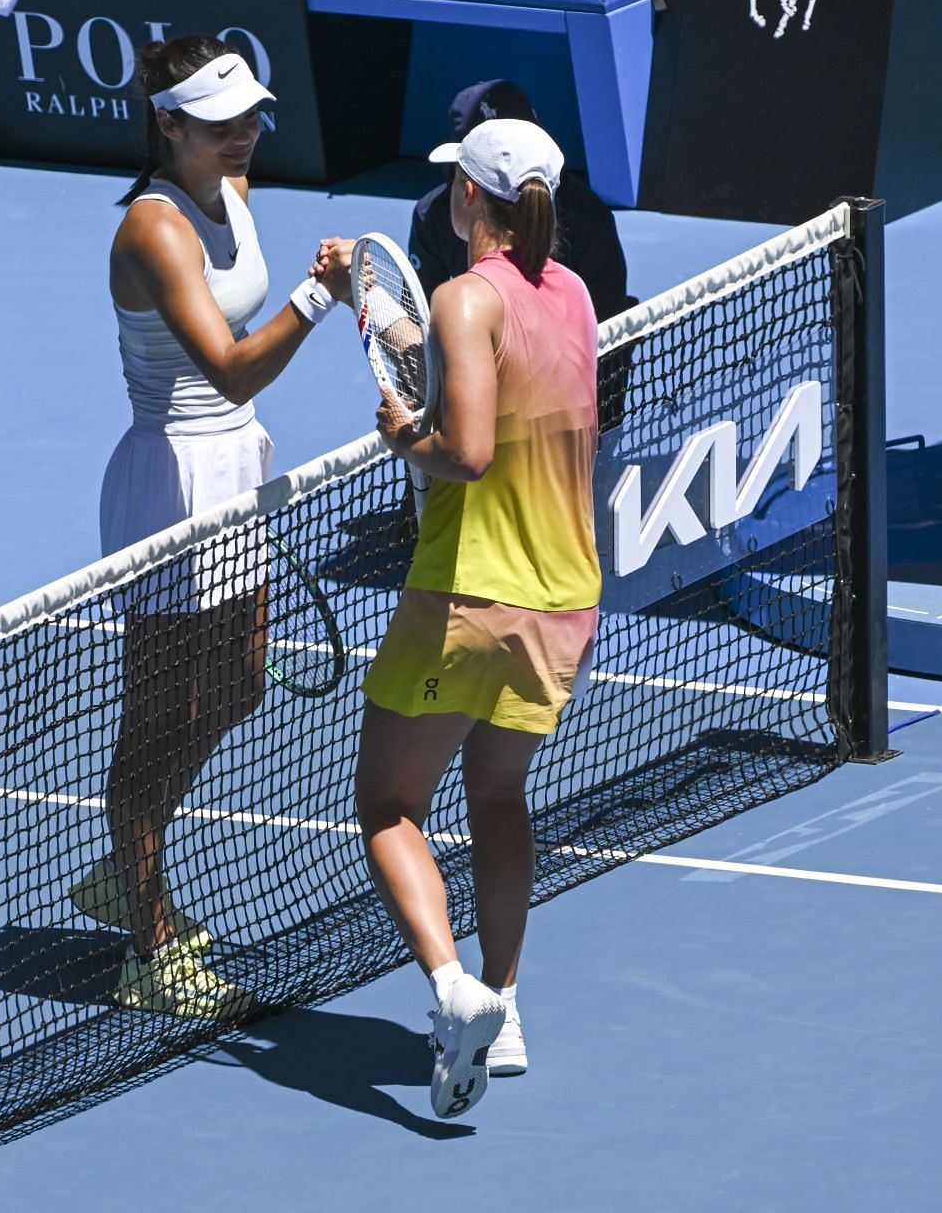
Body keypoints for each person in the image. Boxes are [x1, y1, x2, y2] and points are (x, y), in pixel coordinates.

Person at [74, 34, 346, 1022]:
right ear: (170, 124)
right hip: (173, 484)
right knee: (158, 715)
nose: (247, 137)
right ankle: (146, 947)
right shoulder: (153, 229)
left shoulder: (228, 192)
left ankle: (122, 861)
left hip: (237, 466)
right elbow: (227, 367)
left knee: (234, 685)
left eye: (252, 120)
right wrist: (321, 297)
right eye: (225, 125)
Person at [336, 118, 602, 1119]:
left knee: (389, 808)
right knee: (497, 798)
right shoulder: (571, 293)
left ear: (466, 201)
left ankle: (453, 991)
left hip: (465, 599)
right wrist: (369, 308)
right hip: (564, 604)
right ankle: (509, 1000)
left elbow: (469, 448)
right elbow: (484, 360)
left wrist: (411, 439)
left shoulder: (461, 295)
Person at [408, 79, 634, 320]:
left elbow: (610, 325)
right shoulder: (431, 214)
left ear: (468, 190)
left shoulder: (588, 217)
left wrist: (373, 301)